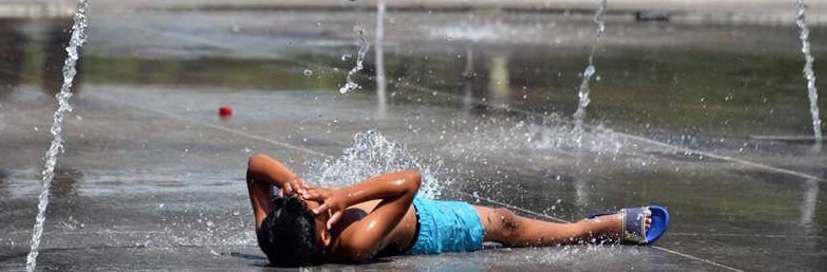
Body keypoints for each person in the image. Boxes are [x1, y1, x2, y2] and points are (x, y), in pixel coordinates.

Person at [247, 152, 669, 266]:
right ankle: (589, 229)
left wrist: (291, 182)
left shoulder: (275, 236)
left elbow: (254, 168)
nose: (321, 202)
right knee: (506, 224)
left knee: (505, 219)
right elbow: (409, 183)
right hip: (429, 227)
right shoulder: (353, 243)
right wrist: (343, 196)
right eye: (321, 210)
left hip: (399, 207)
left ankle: (585, 227)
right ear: (324, 237)